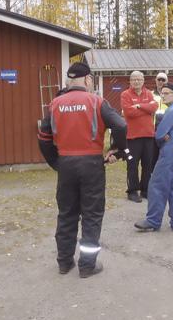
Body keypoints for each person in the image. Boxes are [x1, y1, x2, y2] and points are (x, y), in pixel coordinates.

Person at [38, 62, 127, 278]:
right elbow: (121, 125)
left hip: (66, 163)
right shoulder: (97, 101)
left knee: (67, 214)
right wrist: (117, 150)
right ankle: (87, 266)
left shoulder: (55, 104)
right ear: (88, 80)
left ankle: (64, 262)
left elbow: (43, 138)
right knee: (92, 215)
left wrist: (56, 163)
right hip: (92, 164)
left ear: (69, 81)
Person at [134, 82, 173, 232]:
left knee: (157, 186)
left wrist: (163, 137)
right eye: (162, 93)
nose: (163, 95)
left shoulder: (172, 111)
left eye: (166, 93)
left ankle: (153, 220)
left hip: (170, 155)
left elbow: (158, 135)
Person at [121, 71, 158, 202]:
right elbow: (129, 112)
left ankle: (145, 190)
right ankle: (132, 191)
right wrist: (145, 110)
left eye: (139, 79)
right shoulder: (125, 94)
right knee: (132, 164)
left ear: (143, 81)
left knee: (148, 164)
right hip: (132, 137)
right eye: (134, 79)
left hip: (148, 136)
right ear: (130, 81)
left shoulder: (148, 93)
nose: (136, 82)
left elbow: (154, 107)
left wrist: (139, 106)